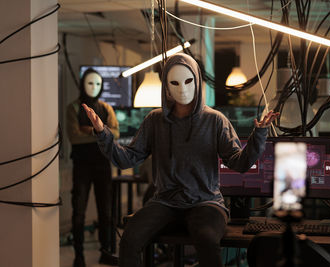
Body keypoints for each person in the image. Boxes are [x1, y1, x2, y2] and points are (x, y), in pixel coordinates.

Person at [83, 53, 279, 267]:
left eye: (188, 81)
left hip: (206, 202)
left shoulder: (215, 120)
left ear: (196, 80)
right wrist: (102, 132)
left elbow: (239, 163)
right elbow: (126, 159)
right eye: (174, 82)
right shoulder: (154, 121)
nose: (182, 88)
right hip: (165, 201)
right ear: (166, 86)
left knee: (207, 240)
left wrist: (259, 133)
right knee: (129, 240)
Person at [66, 68, 120, 267]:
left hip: (102, 165)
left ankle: (106, 251)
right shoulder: (73, 108)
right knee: (78, 211)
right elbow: (74, 137)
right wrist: (100, 131)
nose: (94, 87)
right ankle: (78, 255)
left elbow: (115, 132)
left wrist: (90, 130)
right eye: (90, 83)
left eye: (97, 83)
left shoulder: (106, 107)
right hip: (81, 166)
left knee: (106, 211)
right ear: (82, 84)